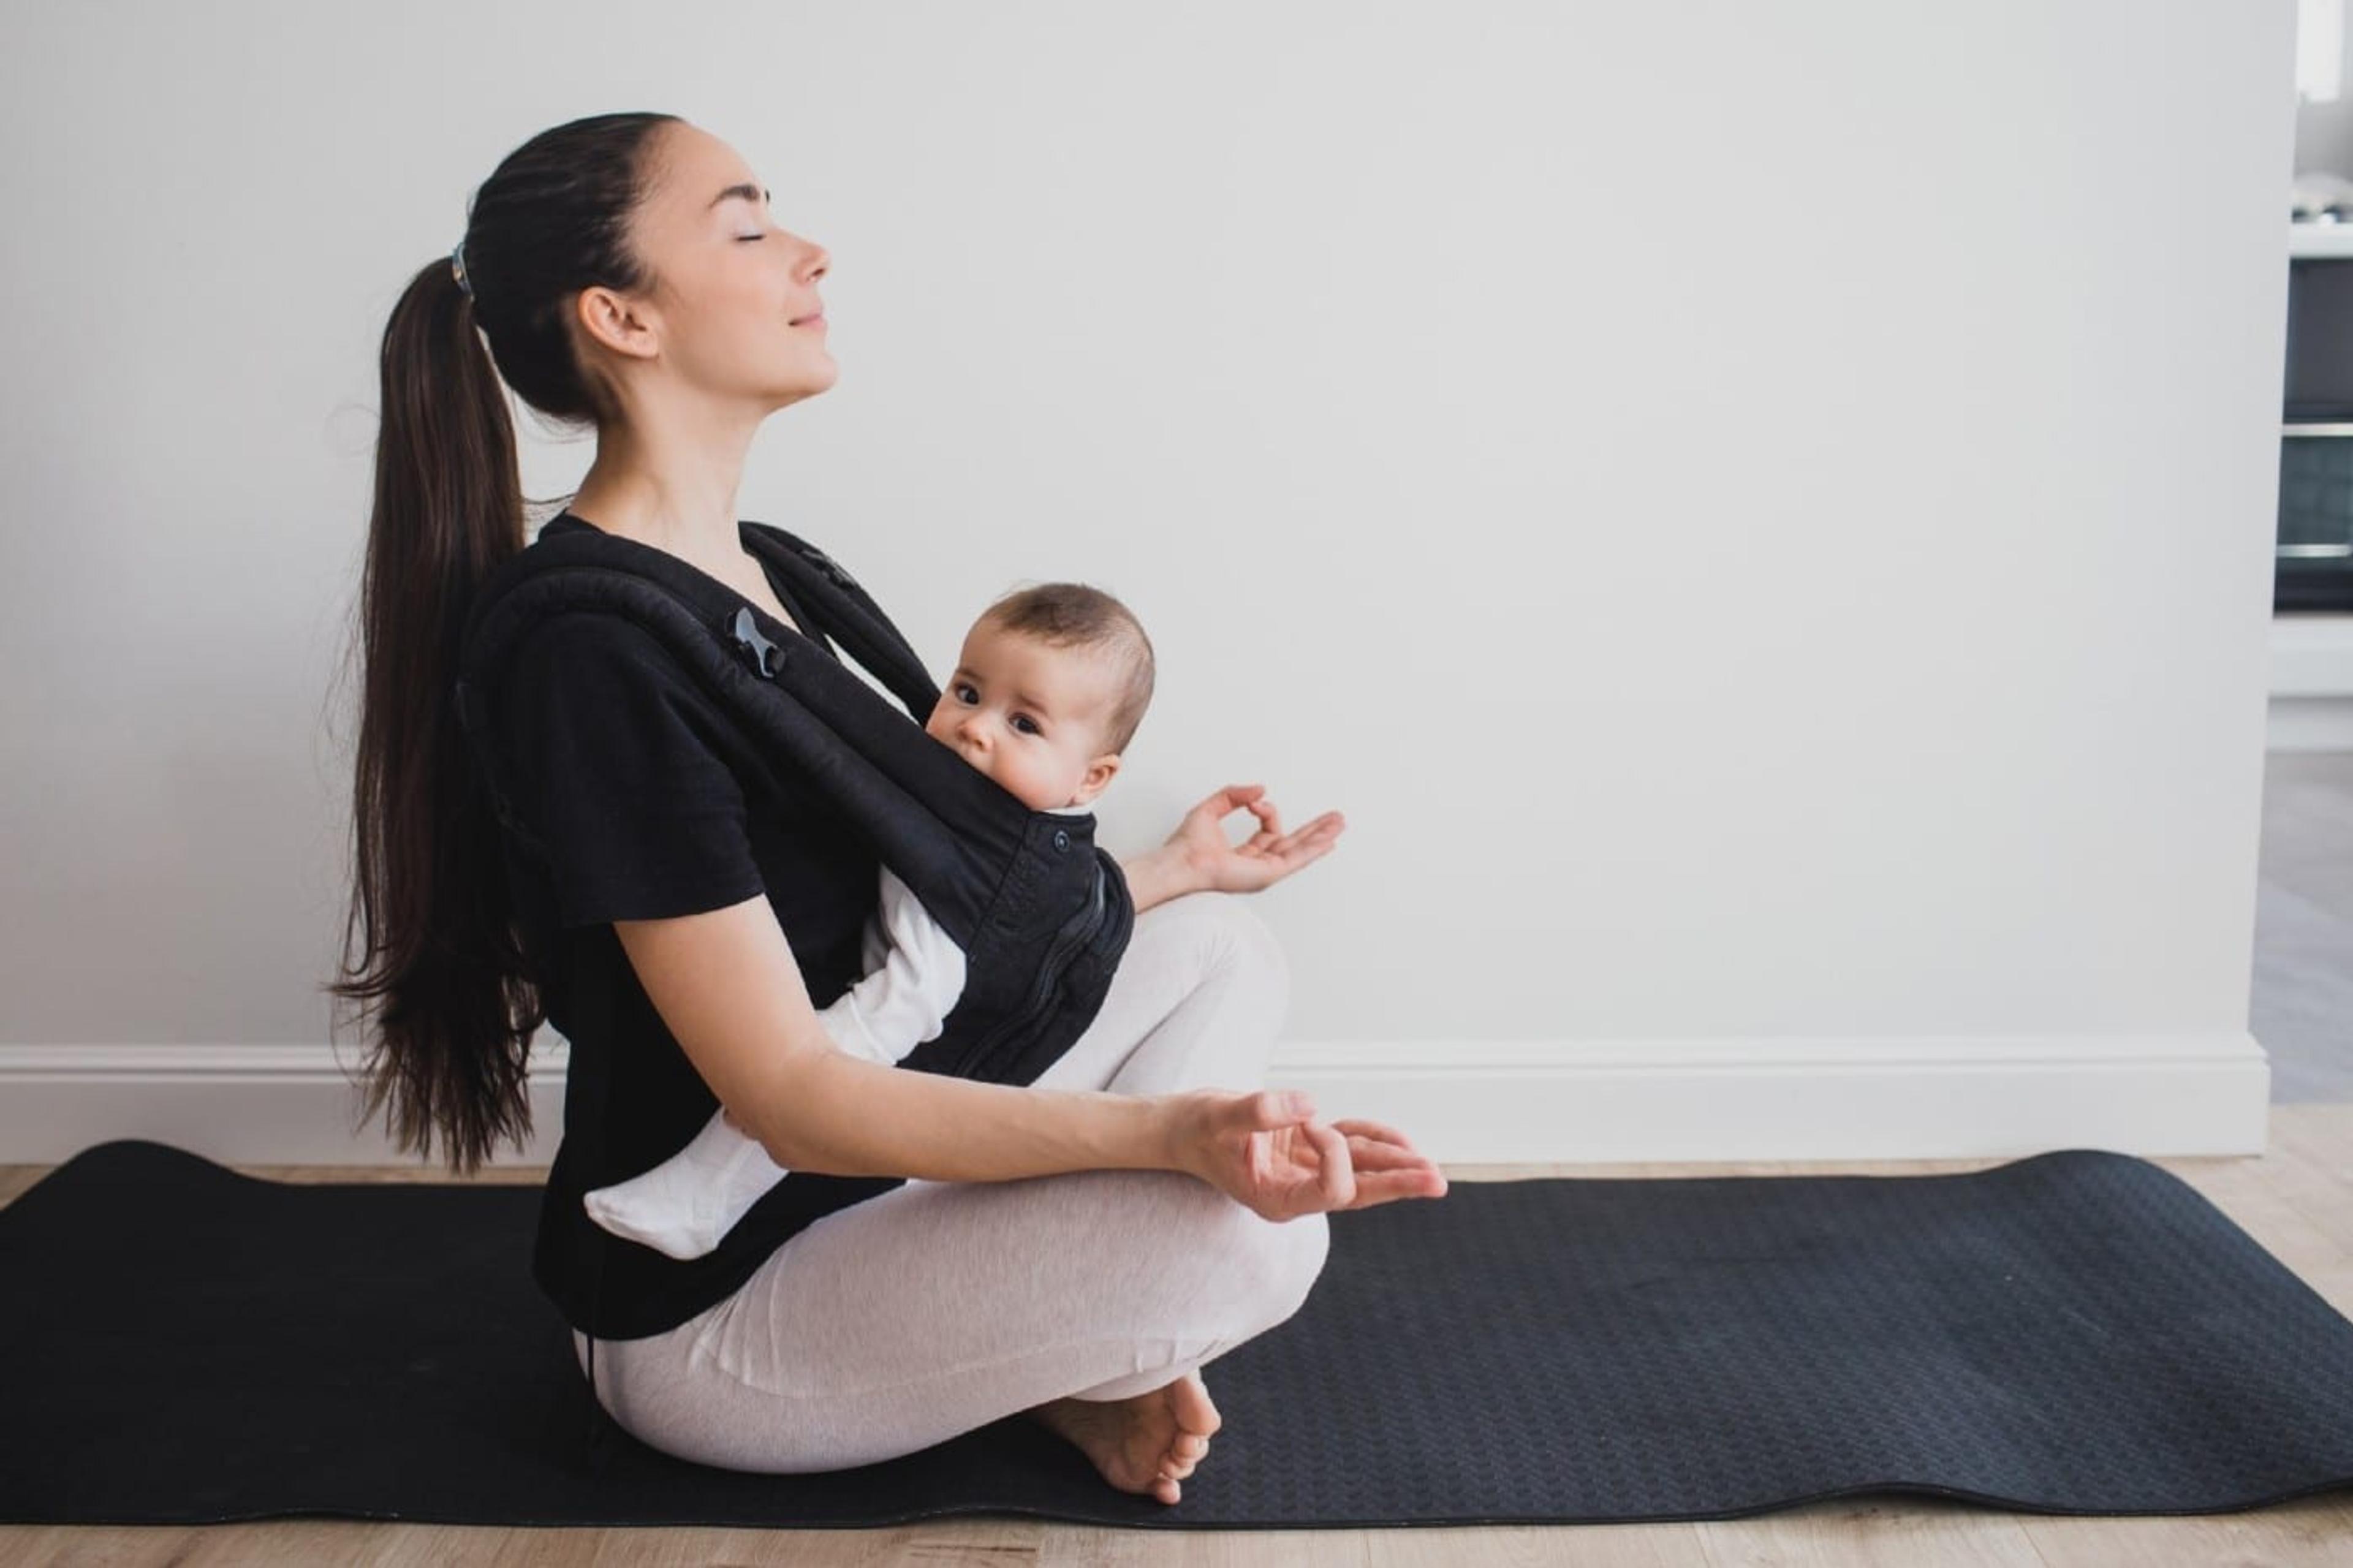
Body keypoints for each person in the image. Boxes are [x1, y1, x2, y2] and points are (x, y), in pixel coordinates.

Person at [333, 110, 1448, 1505]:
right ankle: (1059, 1343)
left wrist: (1165, 873)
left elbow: (926, 904)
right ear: (621, 315)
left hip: (871, 1194)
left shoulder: (781, 573)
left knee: (1225, 955)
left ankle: (1040, 1340)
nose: (810, 249)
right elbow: (788, 1097)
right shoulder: (592, 646)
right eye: (745, 226)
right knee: (1243, 1241)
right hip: (719, 1306)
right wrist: (1172, 1140)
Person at [581, 580, 1150, 1261]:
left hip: (947, 1031)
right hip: (979, 1010)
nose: (975, 727)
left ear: (1091, 779)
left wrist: (802, 1076)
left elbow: (932, 986)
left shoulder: (996, 856)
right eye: (967, 692)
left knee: (888, 1011)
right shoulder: (983, 800)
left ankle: (707, 1191)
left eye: (1024, 724)